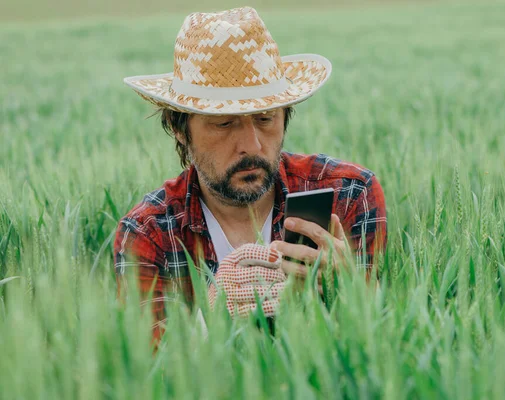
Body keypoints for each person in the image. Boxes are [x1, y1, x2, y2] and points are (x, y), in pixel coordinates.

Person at [114, 7, 387, 343]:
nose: (252, 145)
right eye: (224, 123)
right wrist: (213, 314)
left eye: (265, 118)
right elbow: (147, 376)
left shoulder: (349, 196)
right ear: (179, 128)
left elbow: (381, 346)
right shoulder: (148, 234)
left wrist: (350, 293)